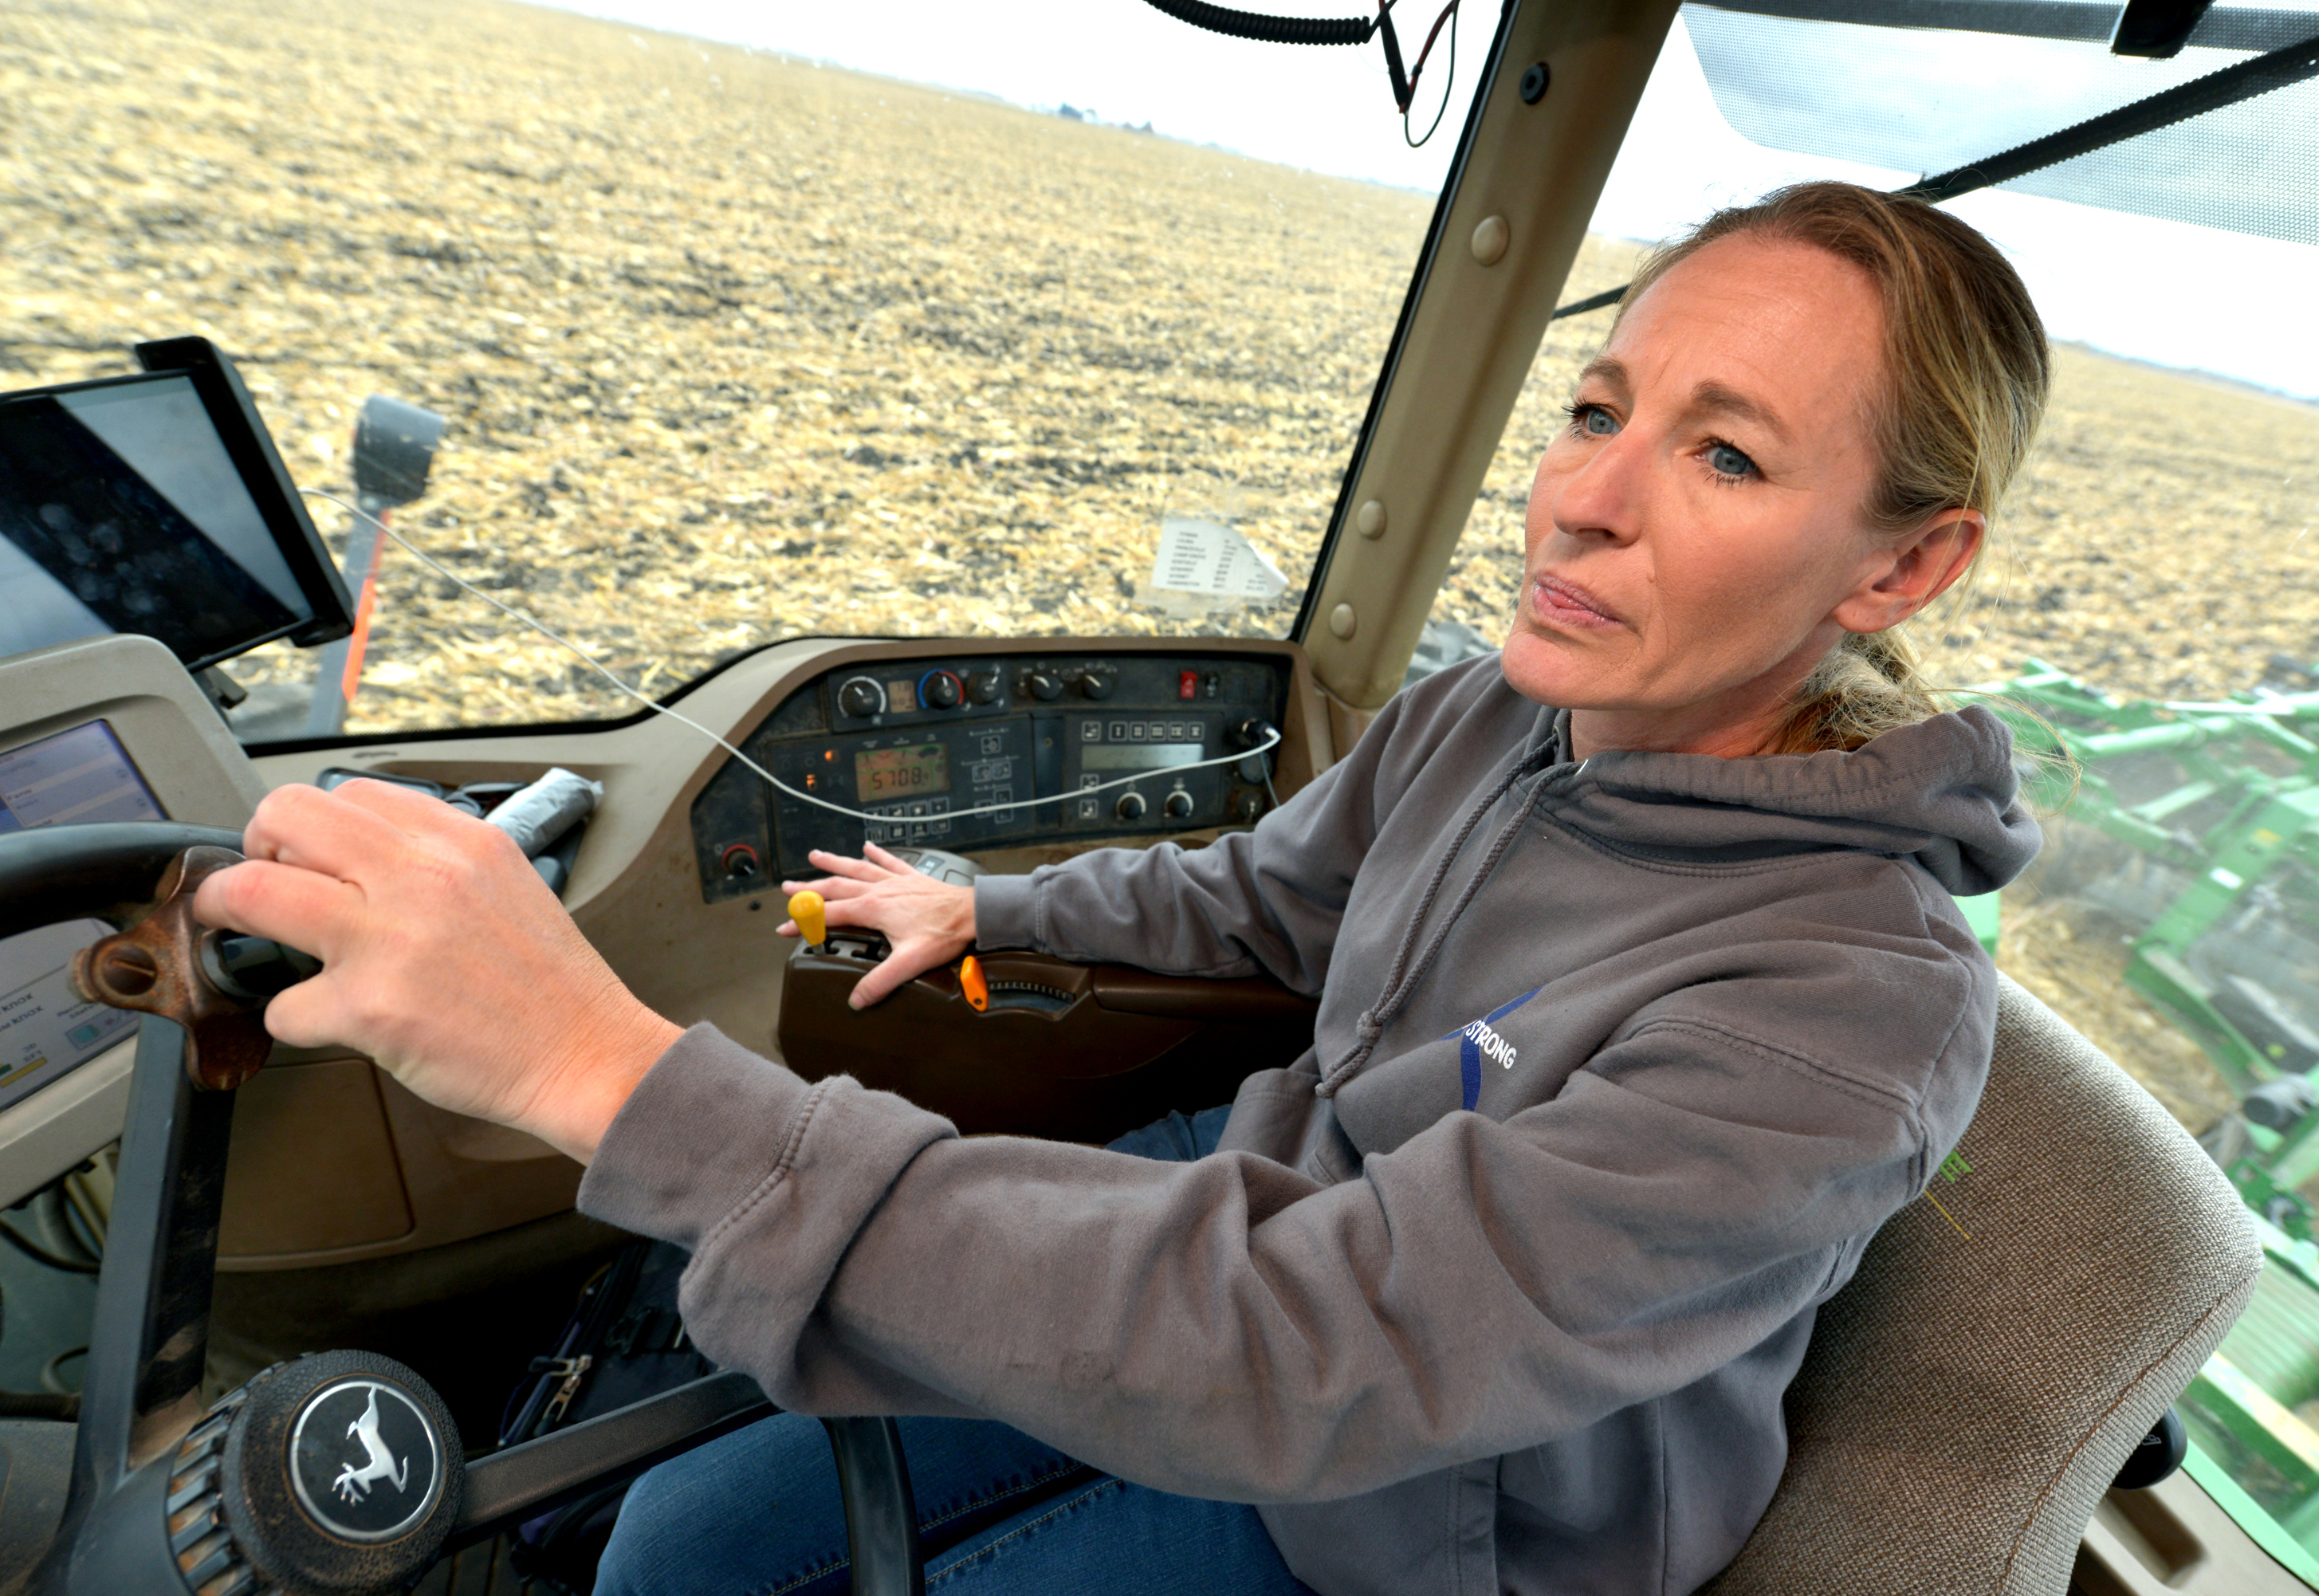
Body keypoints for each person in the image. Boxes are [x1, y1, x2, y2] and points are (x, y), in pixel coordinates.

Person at [195, 180, 2049, 1596]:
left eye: (1723, 452)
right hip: (1276, 1217)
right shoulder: (1505, 712)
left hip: (1425, 1507)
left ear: (1902, 567)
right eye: (1596, 407)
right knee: (676, 1504)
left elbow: (1316, 1348)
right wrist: (991, 913)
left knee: (689, 1566)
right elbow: (1259, 891)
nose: (1582, 498)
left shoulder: (1840, 1017)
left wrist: (599, 1067)